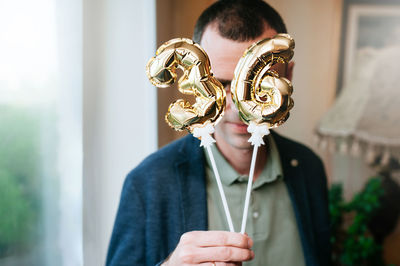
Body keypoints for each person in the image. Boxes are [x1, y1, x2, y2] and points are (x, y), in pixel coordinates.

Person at [106, 0, 331, 265]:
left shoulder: (308, 168)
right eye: (221, 84)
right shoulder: (148, 182)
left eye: (259, 84)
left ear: (287, 76)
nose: (238, 108)